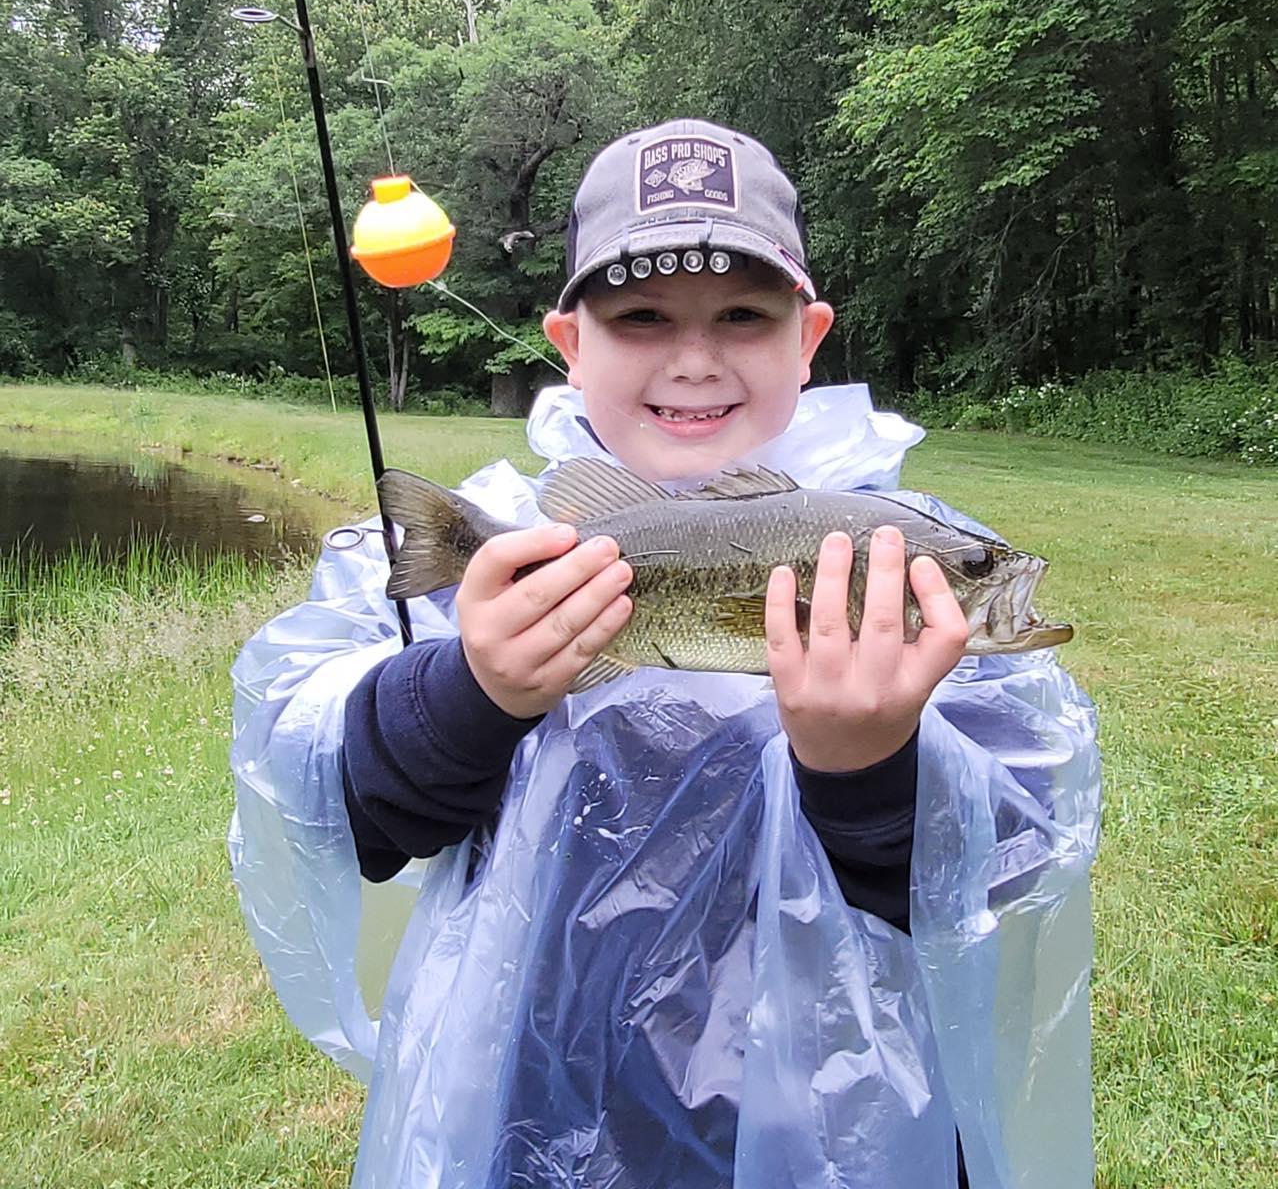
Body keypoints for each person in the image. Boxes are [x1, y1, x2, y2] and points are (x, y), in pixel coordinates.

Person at [229, 120, 1100, 1189]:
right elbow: (333, 804)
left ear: (808, 333)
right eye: (639, 317)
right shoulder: (509, 554)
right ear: (570, 343)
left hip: (841, 1111)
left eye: (743, 313)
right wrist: (473, 686)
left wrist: (870, 763)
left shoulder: (899, 541)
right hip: (533, 1100)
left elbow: (1009, 867)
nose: (694, 358)